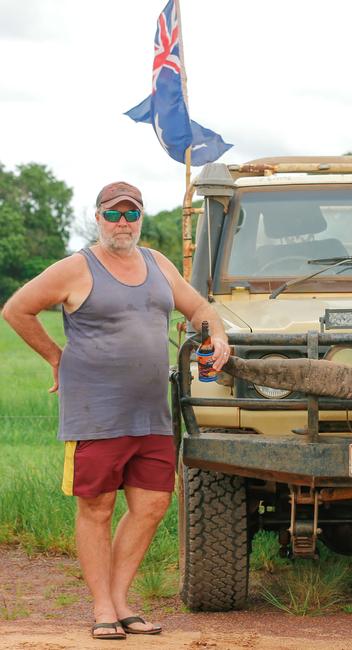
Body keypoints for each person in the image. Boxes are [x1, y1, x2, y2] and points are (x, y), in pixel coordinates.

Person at [1, 181, 230, 640]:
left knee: (151, 505)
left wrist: (217, 334)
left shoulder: (157, 263)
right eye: (114, 214)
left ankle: (122, 602)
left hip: (151, 414)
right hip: (96, 412)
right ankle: (101, 607)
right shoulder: (75, 268)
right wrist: (55, 357)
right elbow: (17, 309)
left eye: (131, 214)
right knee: (97, 506)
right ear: (98, 217)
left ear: (141, 218)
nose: (122, 223)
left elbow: (199, 306)